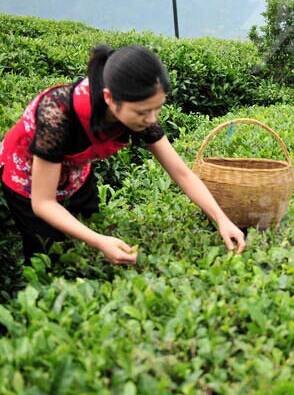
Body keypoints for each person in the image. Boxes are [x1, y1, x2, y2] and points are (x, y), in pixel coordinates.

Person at [0, 44, 245, 265]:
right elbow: (43, 203)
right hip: (28, 177)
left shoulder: (140, 112)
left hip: (75, 173)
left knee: (89, 237)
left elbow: (181, 173)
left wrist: (221, 219)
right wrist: (99, 241)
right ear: (109, 98)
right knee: (49, 256)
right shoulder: (56, 114)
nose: (151, 119)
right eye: (142, 112)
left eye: (157, 108)